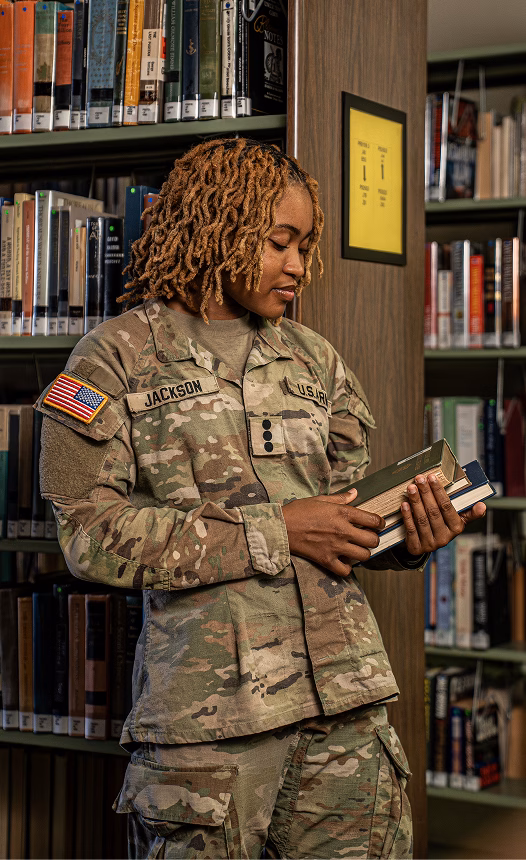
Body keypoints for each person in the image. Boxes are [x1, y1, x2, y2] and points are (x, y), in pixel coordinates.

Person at [36, 138, 486, 860]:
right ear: (219, 225)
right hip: (209, 730)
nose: (299, 268)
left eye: (305, 247)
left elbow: (344, 517)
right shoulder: (111, 358)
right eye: (281, 243)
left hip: (347, 713)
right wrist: (275, 529)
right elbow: (88, 533)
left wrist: (409, 534)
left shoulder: (314, 357)